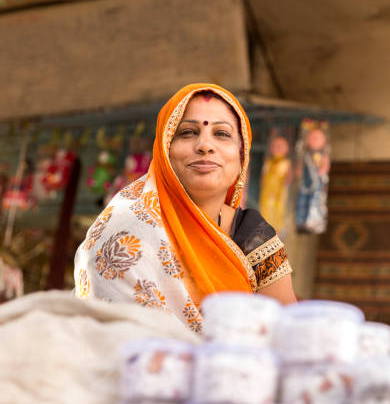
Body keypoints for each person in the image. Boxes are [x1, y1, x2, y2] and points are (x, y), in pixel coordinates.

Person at [74, 83, 297, 333]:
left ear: (241, 155)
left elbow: (289, 335)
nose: (205, 145)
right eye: (188, 132)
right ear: (164, 151)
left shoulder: (252, 235)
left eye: (221, 134)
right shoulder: (127, 230)